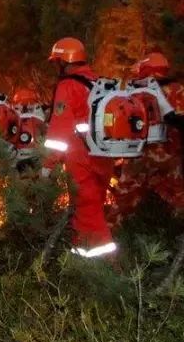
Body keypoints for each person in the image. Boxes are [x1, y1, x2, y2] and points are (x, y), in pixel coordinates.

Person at [44, 37, 118, 258]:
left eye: (57, 62)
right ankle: (90, 259)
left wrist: (48, 164)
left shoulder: (68, 86)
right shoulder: (98, 82)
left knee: (86, 213)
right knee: (95, 208)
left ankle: (97, 268)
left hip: (81, 158)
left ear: (65, 61)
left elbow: (60, 129)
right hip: (103, 155)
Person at [112, 52, 184, 223]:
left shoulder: (132, 94)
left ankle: (114, 233)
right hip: (170, 158)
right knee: (178, 199)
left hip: (137, 157)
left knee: (124, 202)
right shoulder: (178, 90)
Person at [12, 87, 48, 173]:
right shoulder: (39, 117)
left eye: (29, 102)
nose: (26, 105)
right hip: (32, 156)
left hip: (22, 156)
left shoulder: (38, 118)